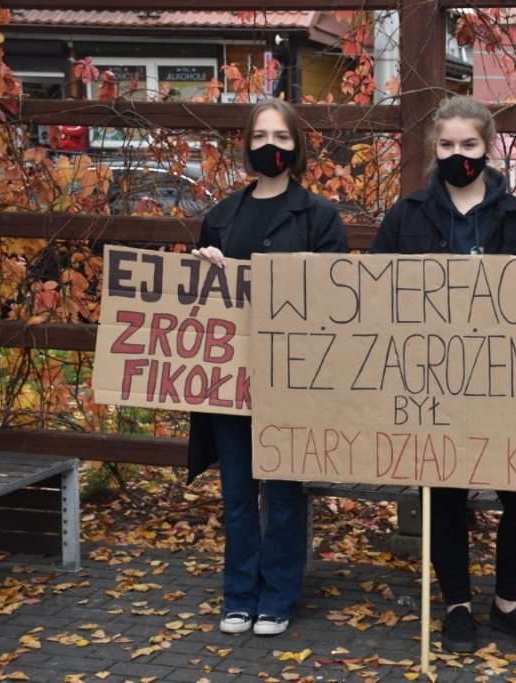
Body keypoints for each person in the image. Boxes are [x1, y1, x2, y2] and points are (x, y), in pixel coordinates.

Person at [370, 95, 516, 653]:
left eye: (469, 146)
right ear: (435, 149)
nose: (458, 155)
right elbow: (373, 290)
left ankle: (507, 602)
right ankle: (456, 606)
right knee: (443, 492)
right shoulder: (407, 214)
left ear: (488, 148)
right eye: (447, 146)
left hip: (507, 385)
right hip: (432, 384)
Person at [187, 98, 348, 637]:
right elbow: (196, 305)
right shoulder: (222, 216)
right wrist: (205, 265)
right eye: (260, 136)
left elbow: (337, 298)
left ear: (296, 145)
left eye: (280, 136)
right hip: (231, 378)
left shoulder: (319, 215)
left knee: (282, 492)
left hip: (292, 379)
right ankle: (239, 594)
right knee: (236, 492)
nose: (270, 146)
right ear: (248, 144)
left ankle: (278, 596)